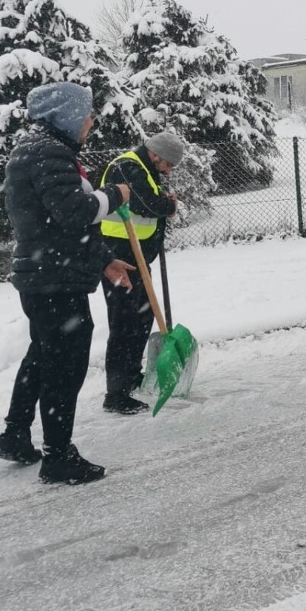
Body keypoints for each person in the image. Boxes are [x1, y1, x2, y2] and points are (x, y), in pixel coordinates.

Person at [0, 83, 133, 484]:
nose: (91, 122)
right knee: (64, 365)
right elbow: (75, 212)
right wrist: (113, 195)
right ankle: (58, 457)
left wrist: (105, 261)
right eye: (87, 114)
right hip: (54, 279)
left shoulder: (40, 149)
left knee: (43, 354)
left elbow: (58, 225)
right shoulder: (48, 151)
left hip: (46, 273)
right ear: (66, 116)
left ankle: (15, 435)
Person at [98, 131, 183, 414]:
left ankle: (131, 375)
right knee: (123, 322)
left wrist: (163, 202)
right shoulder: (128, 165)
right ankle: (115, 394)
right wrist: (168, 205)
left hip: (136, 258)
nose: (169, 170)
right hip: (117, 258)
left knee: (142, 315)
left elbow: (149, 202)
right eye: (169, 164)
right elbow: (145, 204)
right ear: (156, 153)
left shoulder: (146, 169)